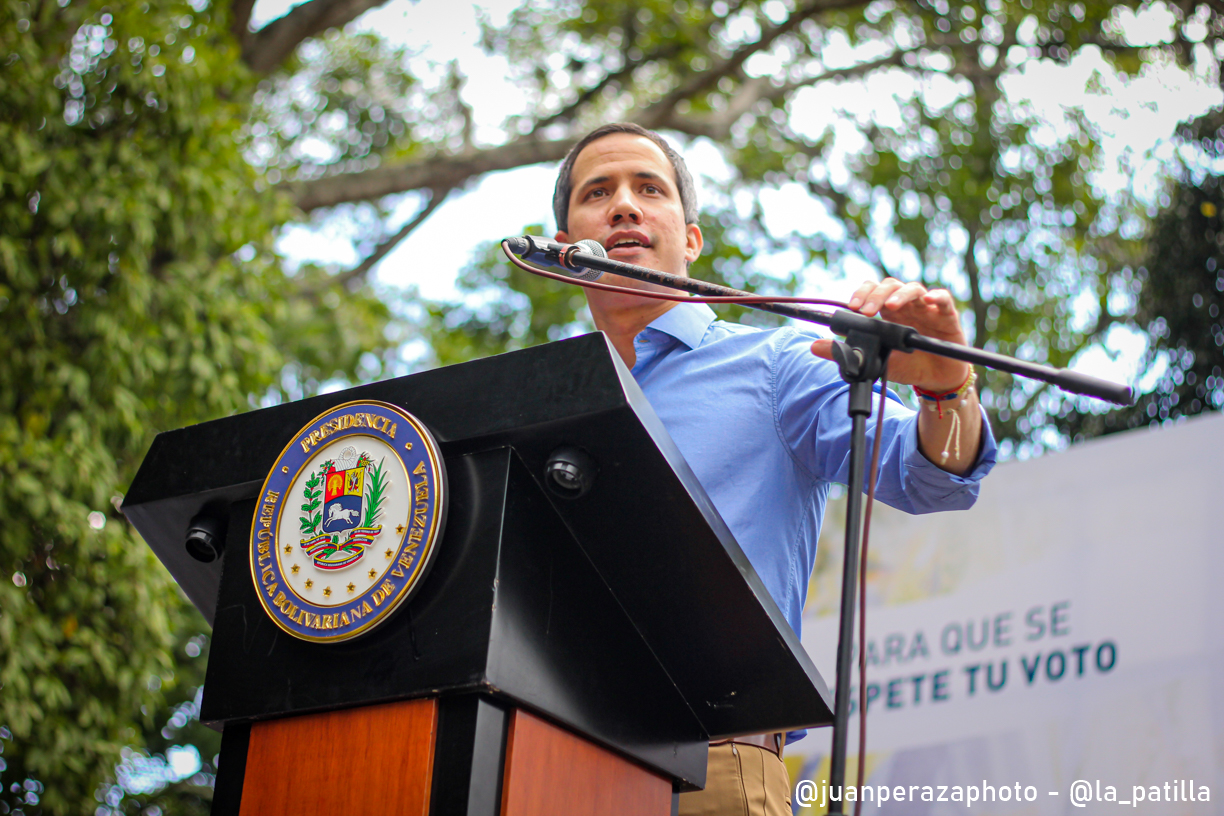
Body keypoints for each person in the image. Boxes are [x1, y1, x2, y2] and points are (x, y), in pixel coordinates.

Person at [551, 123, 998, 816]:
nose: (625, 207)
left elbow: (931, 477)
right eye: (598, 192)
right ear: (562, 250)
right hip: (543, 767)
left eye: (649, 189)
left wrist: (945, 388)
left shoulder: (777, 364)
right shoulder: (543, 402)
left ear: (691, 239)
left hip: (714, 769)